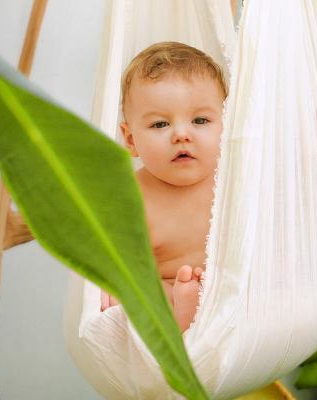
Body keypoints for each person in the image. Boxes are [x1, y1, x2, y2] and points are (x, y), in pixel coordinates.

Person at [100, 41, 227, 332]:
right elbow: (105, 251)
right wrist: (105, 281)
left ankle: (195, 309)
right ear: (130, 140)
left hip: (229, 287)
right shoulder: (129, 197)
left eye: (200, 120)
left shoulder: (233, 177)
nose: (182, 134)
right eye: (160, 125)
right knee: (142, 294)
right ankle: (184, 313)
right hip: (168, 286)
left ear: (226, 126)